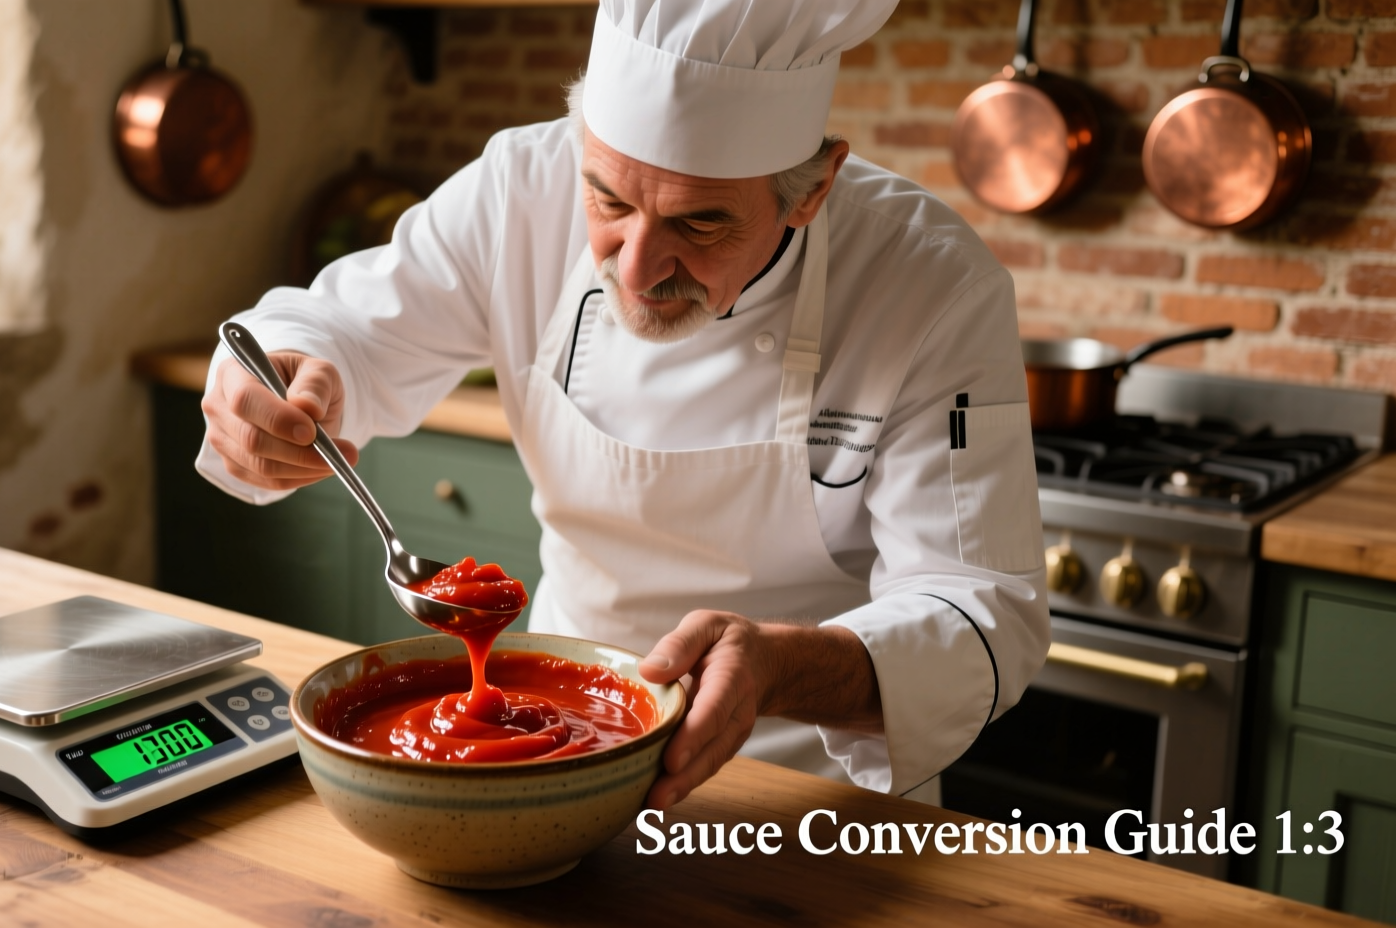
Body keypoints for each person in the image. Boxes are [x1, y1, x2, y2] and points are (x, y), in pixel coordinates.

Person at [197, 0, 1050, 811]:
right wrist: (288, 371)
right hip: (556, 756)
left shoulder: (930, 282)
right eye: (608, 200)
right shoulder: (519, 188)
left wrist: (779, 671)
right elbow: (341, 322)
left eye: (702, 223)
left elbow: (981, 613)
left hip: (806, 788)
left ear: (814, 189)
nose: (637, 269)